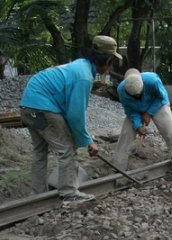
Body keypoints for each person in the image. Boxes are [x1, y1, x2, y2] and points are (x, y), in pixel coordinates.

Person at [20, 35, 122, 203]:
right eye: (112, 62)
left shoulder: (80, 66)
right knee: (67, 149)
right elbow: (75, 116)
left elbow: (69, 114)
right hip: (42, 107)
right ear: (108, 59)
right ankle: (69, 193)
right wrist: (88, 141)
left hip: (28, 106)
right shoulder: (84, 77)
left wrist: (84, 138)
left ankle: (37, 195)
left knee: (40, 152)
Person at [115, 68, 172, 171]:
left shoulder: (152, 80)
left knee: (170, 134)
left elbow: (161, 97)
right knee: (125, 137)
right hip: (136, 109)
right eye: (135, 96)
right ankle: (118, 169)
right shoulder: (121, 90)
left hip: (158, 105)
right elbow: (129, 111)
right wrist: (137, 125)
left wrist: (149, 113)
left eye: (139, 94)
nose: (138, 96)